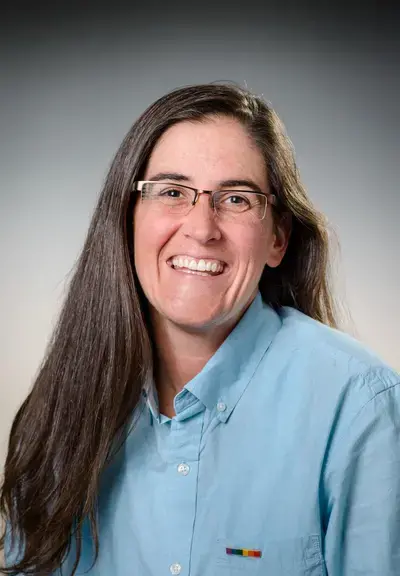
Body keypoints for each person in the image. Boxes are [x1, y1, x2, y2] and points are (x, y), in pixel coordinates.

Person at [1, 82, 399, 576]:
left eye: (235, 199)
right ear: (126, 221)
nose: (201, 227)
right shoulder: (61, 409)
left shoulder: (359, 406)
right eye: (171, 192)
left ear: (277, 238)